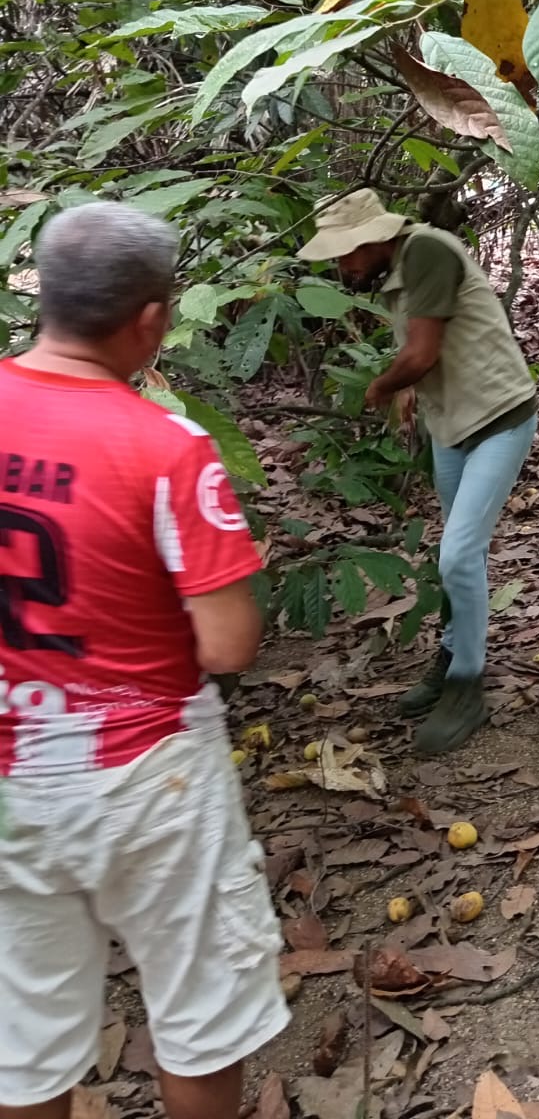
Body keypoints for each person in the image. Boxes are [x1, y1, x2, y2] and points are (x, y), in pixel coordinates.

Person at [0, 203, 287, 1119]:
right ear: (153, 318)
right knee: (199, 1011)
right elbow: (227, 644)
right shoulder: (167, 448)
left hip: (10, 772)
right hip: (145, 769)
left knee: (22, 1035)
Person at [298, 189, 536, 756]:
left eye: (347, 252)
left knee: (458, 554)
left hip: (498, 417)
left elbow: (421, 353)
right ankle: (454, 655)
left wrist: (382, 387)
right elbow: (424, 344)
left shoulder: (427, 249)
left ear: (375, 237)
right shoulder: (399, 267)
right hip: (452, 424)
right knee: (459, 555)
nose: (343, 264)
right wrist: (409, 389)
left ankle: (467, 686)